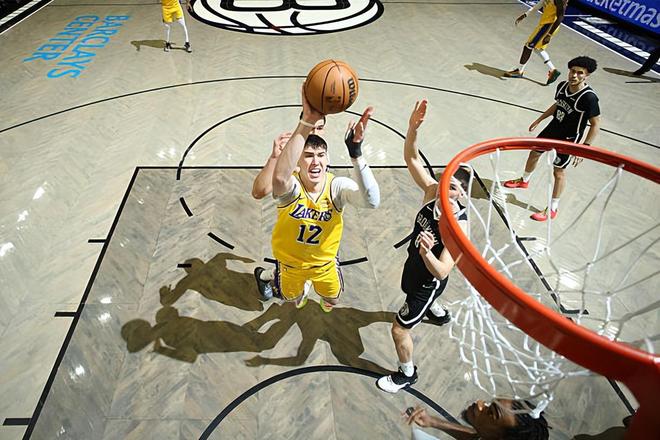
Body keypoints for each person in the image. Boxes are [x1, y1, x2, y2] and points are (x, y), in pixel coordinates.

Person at [253, 84, 379, 312]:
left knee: (332, 297)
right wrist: (274, 157)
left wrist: (356, 153)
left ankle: (305, 285)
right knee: (292, 295)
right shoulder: (290, 160)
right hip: (291, 251)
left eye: (319, 127)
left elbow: (370, 200)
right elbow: (261, 190)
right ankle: (268, 276)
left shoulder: (326, 171)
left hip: (320, 252)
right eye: (311, 126)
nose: (314, 132)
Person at [376, 100, 470, 393]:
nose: (444, 187)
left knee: (399, 329)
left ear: (463, 196)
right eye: (445, 180)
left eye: (453, 187)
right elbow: (412, 159)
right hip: (415, 265)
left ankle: (407, 373)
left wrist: (428, 252)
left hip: (428, 281)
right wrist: (412, 129)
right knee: (410, 285)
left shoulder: (459, 227)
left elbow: (442, 271)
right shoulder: (432, 192)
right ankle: (438, 312)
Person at [503, 56, 601, 221]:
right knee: (534, 153)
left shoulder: (589, 98)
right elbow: (558, 104)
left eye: (580, 73)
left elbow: (596, 124)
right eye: (572, 71)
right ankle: (524, 180)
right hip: (553, 128)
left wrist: (585, 147)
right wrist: (540, 119)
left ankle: (553, 208)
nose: (574, 75)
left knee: (558, 172)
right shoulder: (562, 86)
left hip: (569, 138)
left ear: (587, 75)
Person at [405, 399, 550, 440]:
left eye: (490, 412)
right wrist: (433, 422)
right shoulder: (494, 436)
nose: (480, 404)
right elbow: (477, 436)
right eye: (489, 403)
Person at [504, 0, 567, 85]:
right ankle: (553, 70)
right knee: (537, 48)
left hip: (549, 26)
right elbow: (540, 4)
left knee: (528, 46)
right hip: (544, 24)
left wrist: (549, 34)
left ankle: (519, 71)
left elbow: (560, 17)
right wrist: (525, 14)